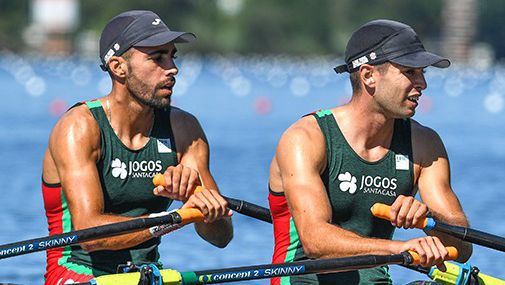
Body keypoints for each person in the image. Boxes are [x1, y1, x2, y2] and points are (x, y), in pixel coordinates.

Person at [268, 19, 473, 284]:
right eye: (410, 72)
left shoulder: (425, 145)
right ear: (368, 75)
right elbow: (315, 240)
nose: (422, 84)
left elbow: (464, 248)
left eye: (423, 73)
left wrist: (429, 219)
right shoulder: (305, 138)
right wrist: (400, 248)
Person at [41, 10, 233, 284]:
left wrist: (200, 203)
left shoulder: (185, 130)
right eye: (157, 58)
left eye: (172, 56)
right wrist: (176, 217)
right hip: (77, 272)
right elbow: (89, 236)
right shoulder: (79, 128)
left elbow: (221, 237)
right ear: (118, 67)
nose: (172, 69)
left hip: (147, 274)